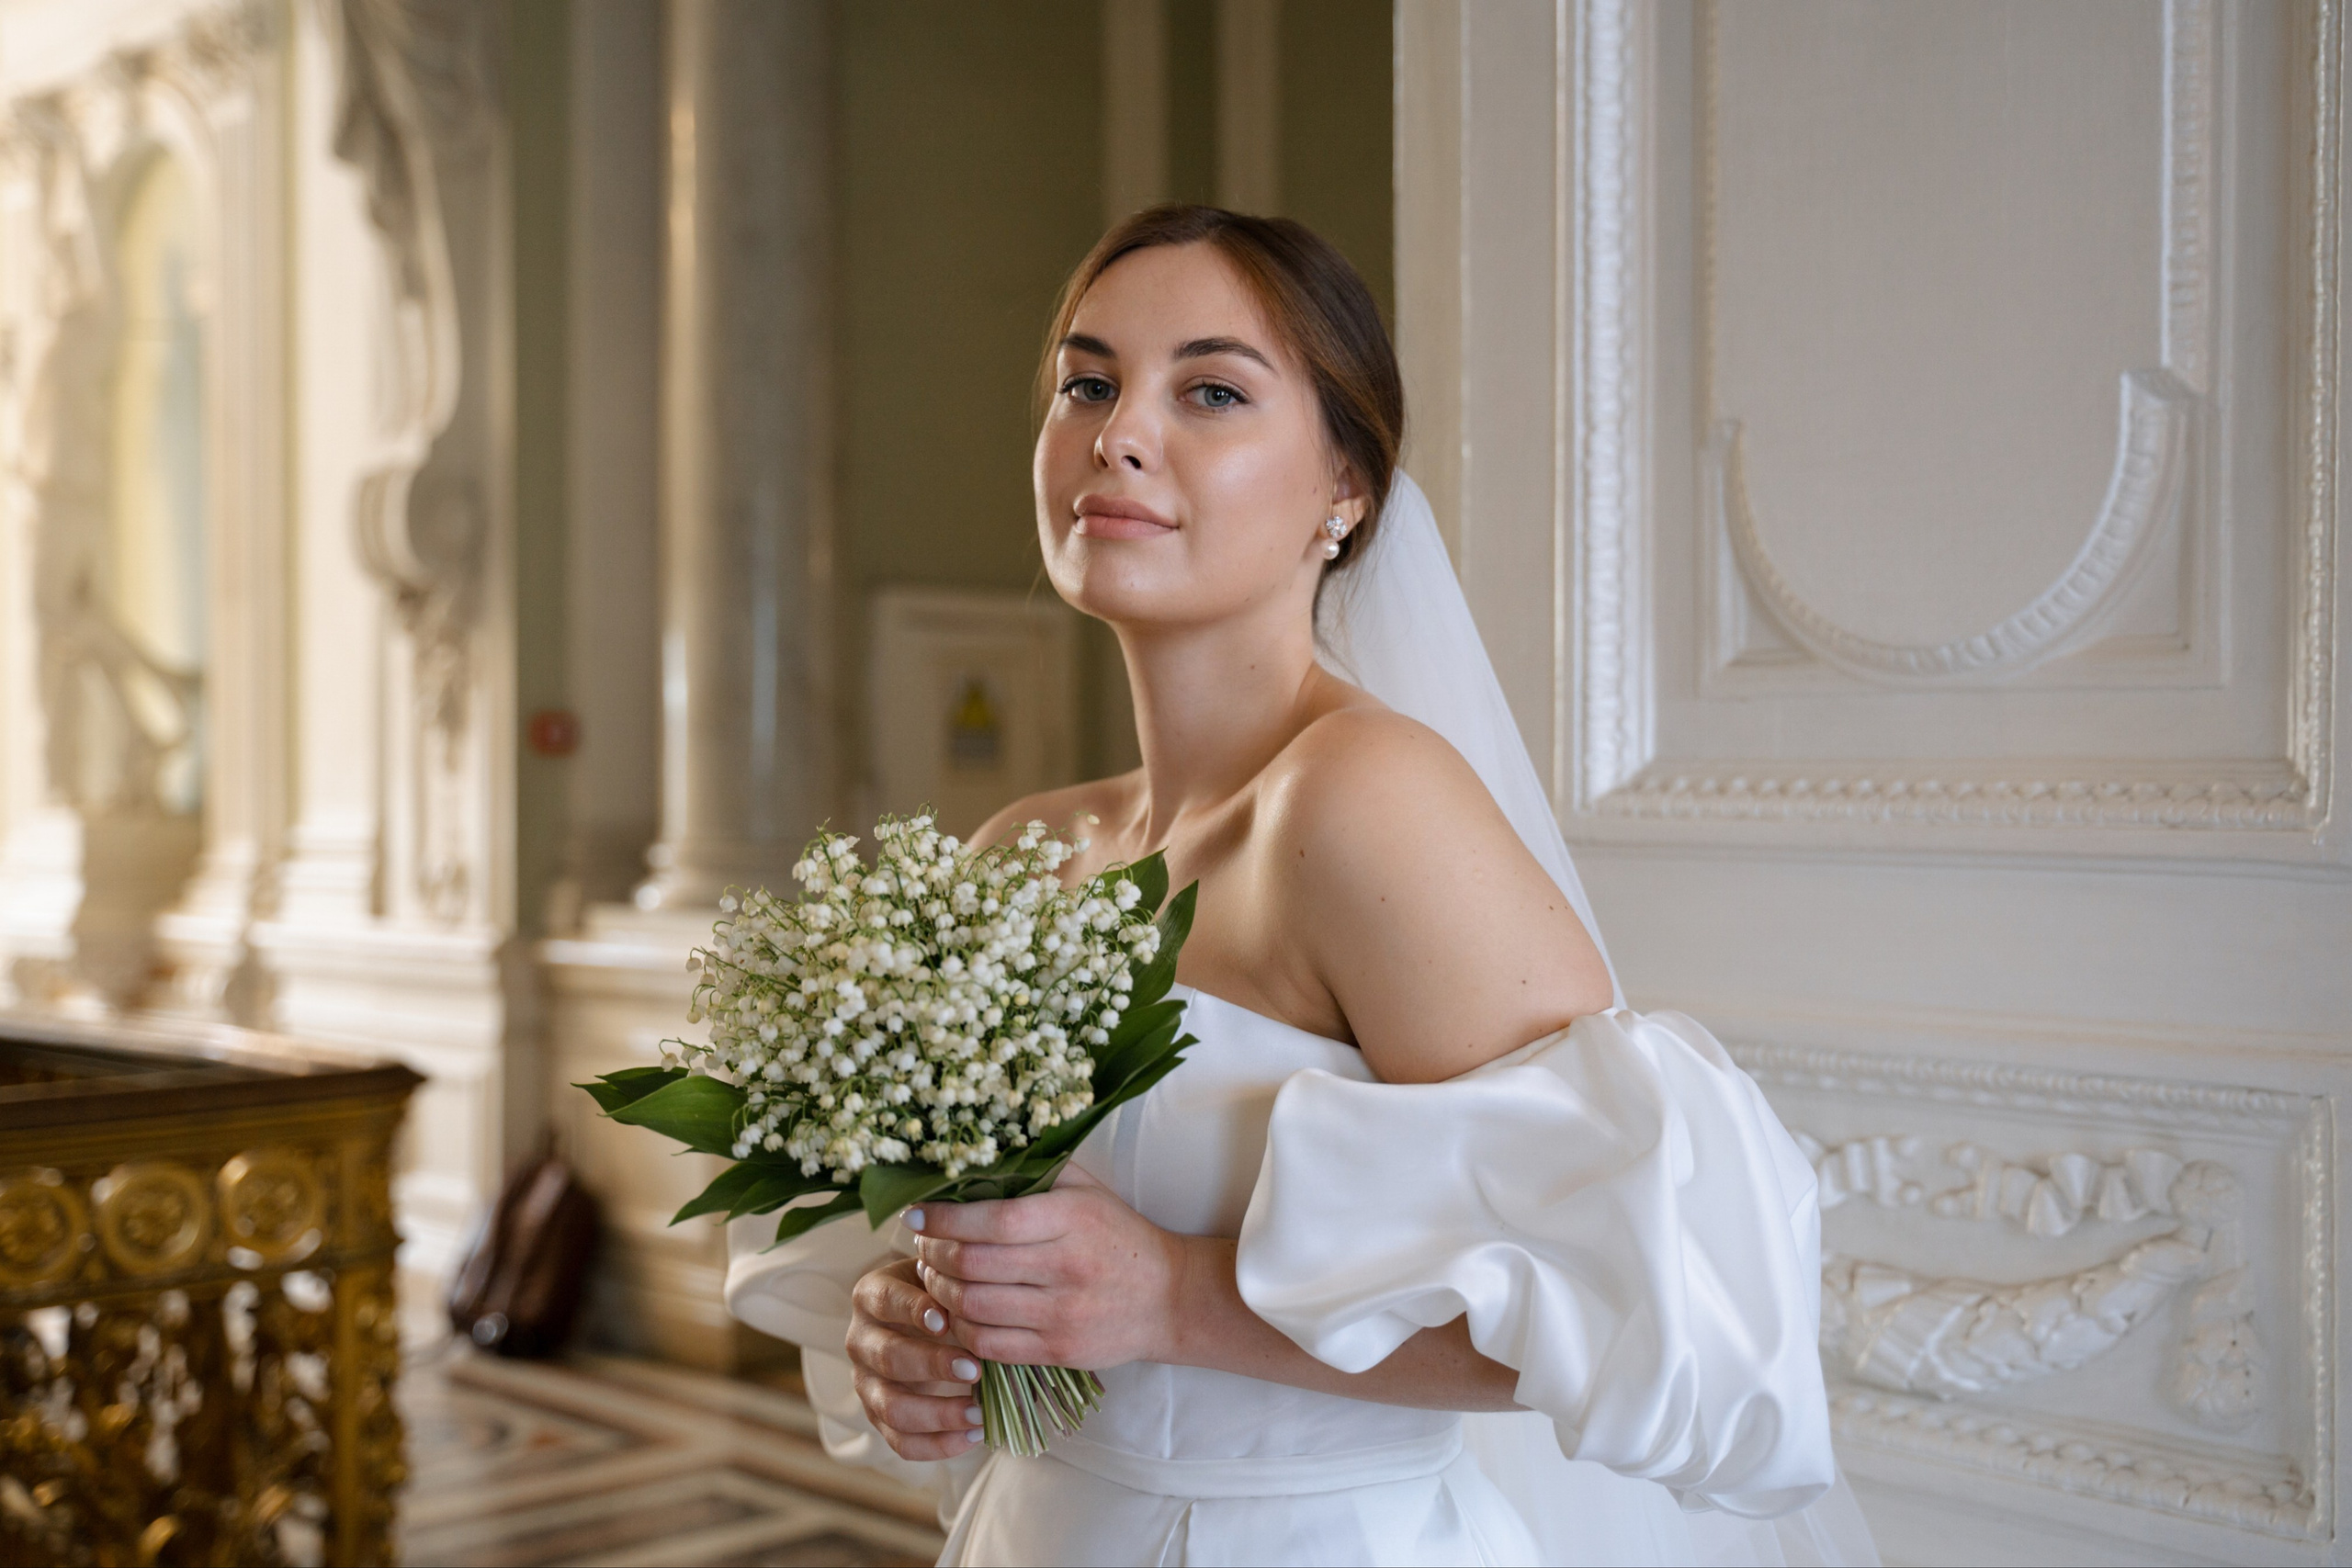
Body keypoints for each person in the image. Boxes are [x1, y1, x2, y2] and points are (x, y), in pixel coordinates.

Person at [725, 205, 1878, 1567]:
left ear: (1348, 490)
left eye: (1209, 390)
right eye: (1086, 384)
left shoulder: (1365, 804)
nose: (1119, 434)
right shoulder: (1022, 854)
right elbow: (969, 1262)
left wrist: (1170, 1298)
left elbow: (1619, 1298)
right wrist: (912, 1325)